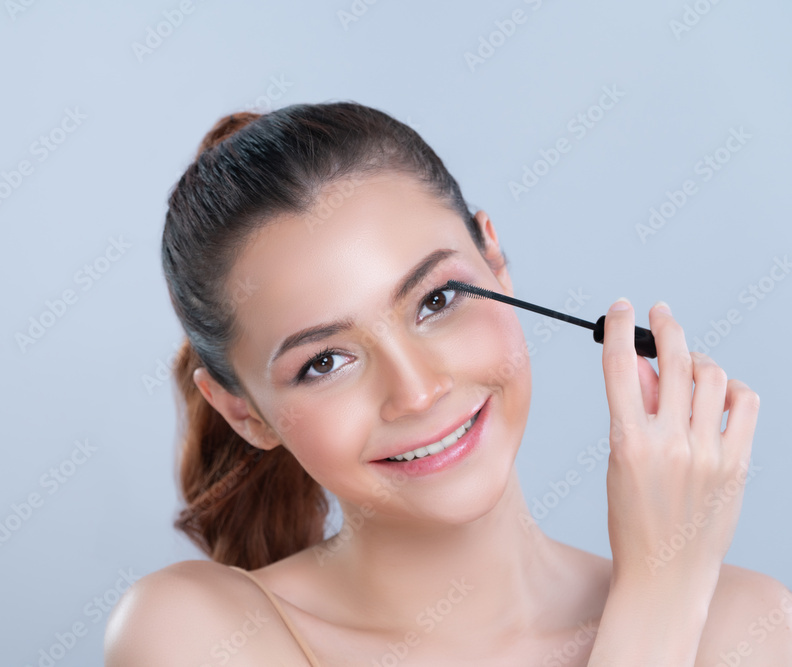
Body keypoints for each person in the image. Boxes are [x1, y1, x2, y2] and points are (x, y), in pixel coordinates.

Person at [105, 102, 791, 665]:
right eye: (324, 361)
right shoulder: (190, 633)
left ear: (494, 257)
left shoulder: (750, 628)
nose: (417, 390)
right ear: (242, 411)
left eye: (435, 300)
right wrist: (660, 597)